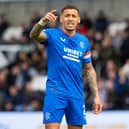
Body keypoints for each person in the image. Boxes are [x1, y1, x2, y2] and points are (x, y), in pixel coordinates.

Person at [30, 5, 102, 129]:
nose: (70, 19)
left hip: (76, 94)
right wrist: (42, 22)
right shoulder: (52, 35)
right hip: (55, 92)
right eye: (67, 16)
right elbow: (34, 35)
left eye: (73, 16)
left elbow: (89, 69)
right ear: (61, 19)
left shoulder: (83, 42)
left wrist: (96, 95)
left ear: (78, 20)